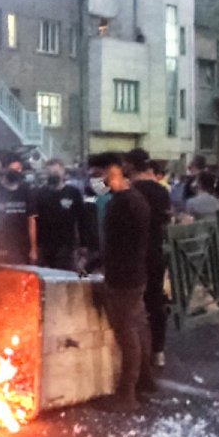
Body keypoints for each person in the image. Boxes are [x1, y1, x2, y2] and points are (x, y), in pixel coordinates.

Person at [88, 152, 155, 407]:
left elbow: (114, 247)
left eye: (97, 175)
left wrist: (91, 268)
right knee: (139, 327)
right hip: (135, 273)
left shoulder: (120, 204)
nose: (94, 182)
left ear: (111, 173)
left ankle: (127, 394)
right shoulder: (136, 199)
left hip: (121, 278)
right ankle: (146, 381)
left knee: (126, 334)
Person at [127, 149, 172, 370]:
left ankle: (138, 355)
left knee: (133, 303)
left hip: (134, 254)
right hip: (156, 251)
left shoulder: (130, 191)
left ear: (131, 167)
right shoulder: (162, 192)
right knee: (156, 300)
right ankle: (158, 351)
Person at [34, 158, 84, 271]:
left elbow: (82, 219)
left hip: (66, 245)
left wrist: (83, 244)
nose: (53, 175)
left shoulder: (73, 193)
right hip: (44, 245)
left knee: (66, 276)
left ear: (63, 172)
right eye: (50, 172)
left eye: (56, 172)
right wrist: (35, 245)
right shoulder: (40, 193)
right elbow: (35, 220)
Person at [0, 159, 37, 265]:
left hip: (21, 246)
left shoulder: (26, 191)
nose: (16, 172)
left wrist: (33, 249)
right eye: (13, 169)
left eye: (19, 169)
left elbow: (31, 220)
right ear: (5, 170)